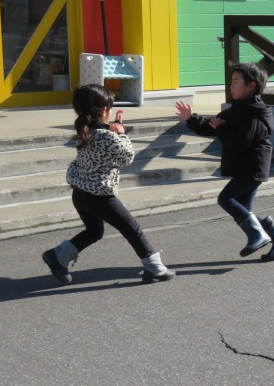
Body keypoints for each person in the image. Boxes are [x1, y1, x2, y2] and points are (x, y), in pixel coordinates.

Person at [42, 84, 175, 284]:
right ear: (104, 110)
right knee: (132, 229)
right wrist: (121, 133)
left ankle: (58, 255)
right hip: (100, 196)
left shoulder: (85, 130)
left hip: (80, 193)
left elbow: (102, 144)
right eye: (110, 108)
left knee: (94, 231)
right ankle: (154, 267)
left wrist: (113, 130)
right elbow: (127, 157)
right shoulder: (107, 136)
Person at [175, 62, 274, 261]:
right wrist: (191, 118)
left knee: (226, 199)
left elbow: (241, 141)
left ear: (251, 86)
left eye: (236, 81)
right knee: (245, 209)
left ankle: (257, 235)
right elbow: (211, 125)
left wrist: (221, 128)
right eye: (231, 81)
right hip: (247, 167)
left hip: (253, 166)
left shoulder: (255, 112)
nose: (231, 86)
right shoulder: (238, 109)